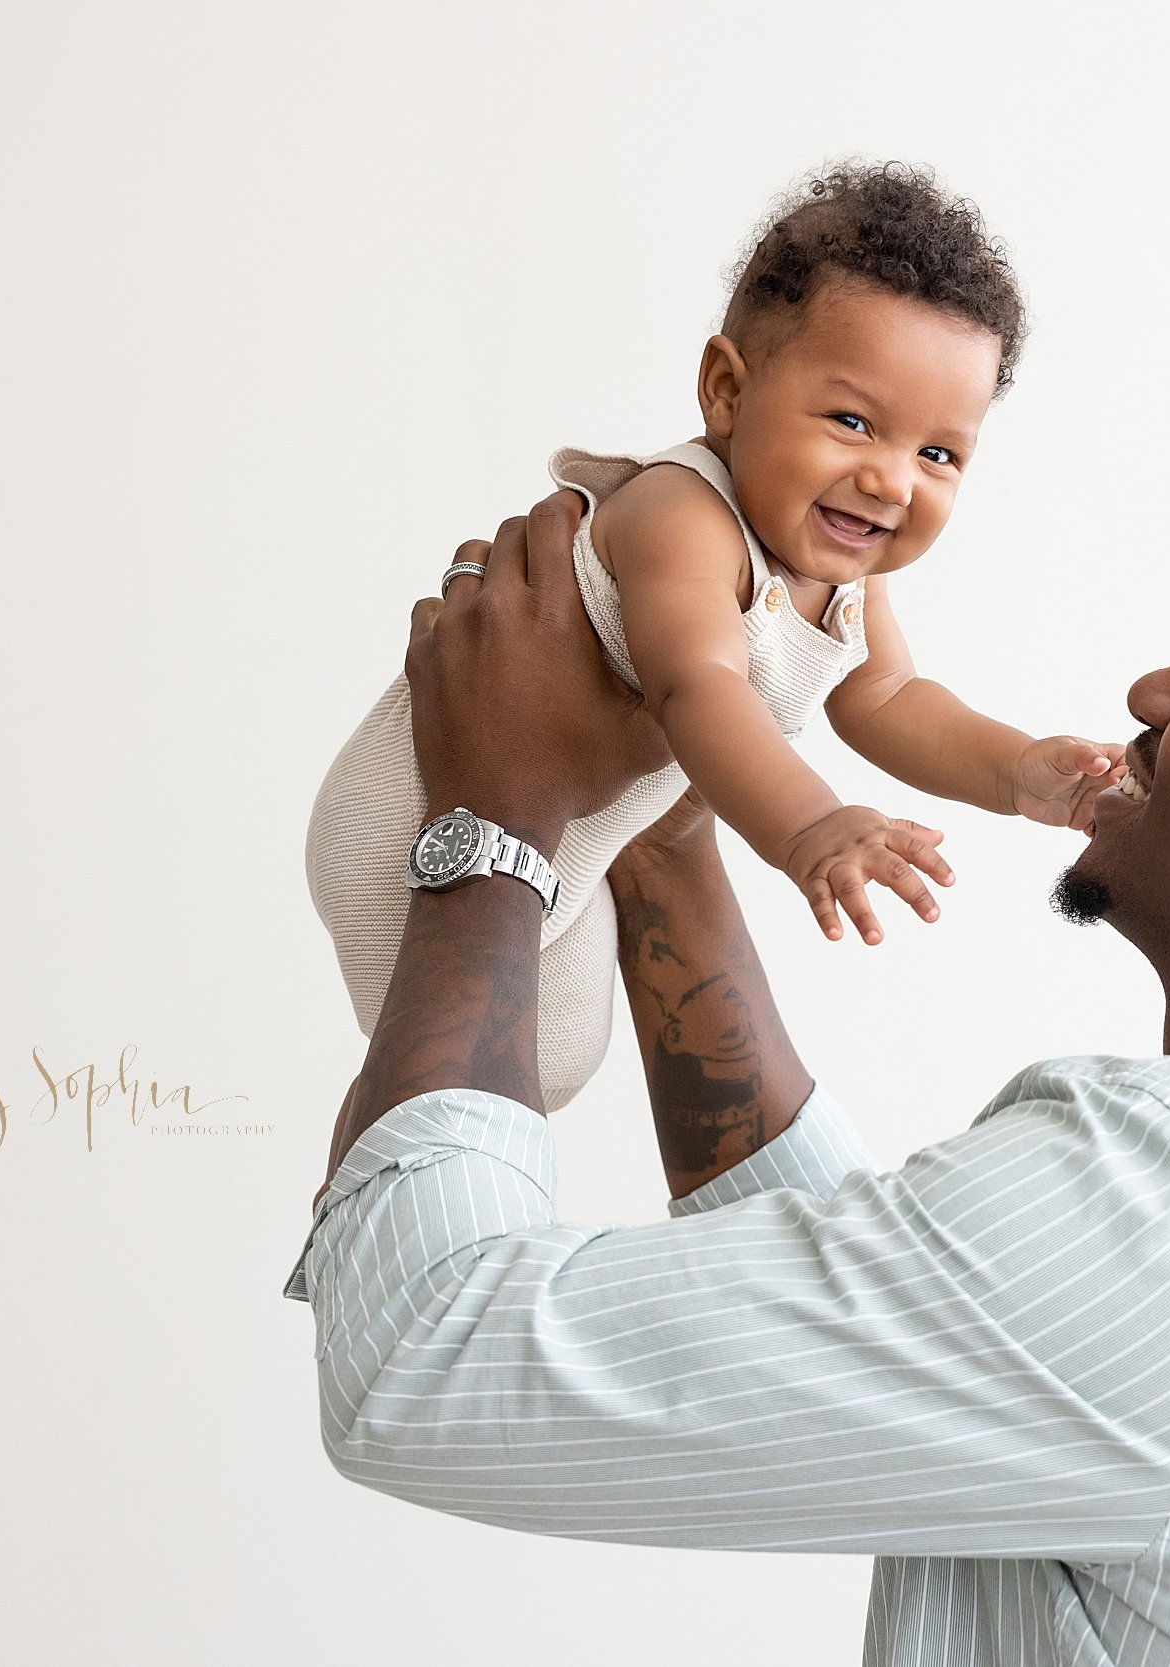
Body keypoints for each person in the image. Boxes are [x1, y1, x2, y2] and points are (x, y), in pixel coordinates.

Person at [284, 485, 1170, 1666]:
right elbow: (902, 1310)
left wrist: (498, 813)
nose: (1147, 694)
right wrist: (662, 809)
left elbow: (420, 1355)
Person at [302, 162, 1122, 1121]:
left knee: (558, 1063)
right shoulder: (684, 515)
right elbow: (698, 686)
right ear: (727, 391)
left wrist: (1018, 771)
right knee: (466, 1071)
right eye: (853, 421)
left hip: (567, 834)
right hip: (414, 820)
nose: (893, 480)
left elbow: (891, 698)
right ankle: (366, 1180)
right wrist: (809, 826)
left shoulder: (843, 569)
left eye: (937, 452)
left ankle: (389, 1154)